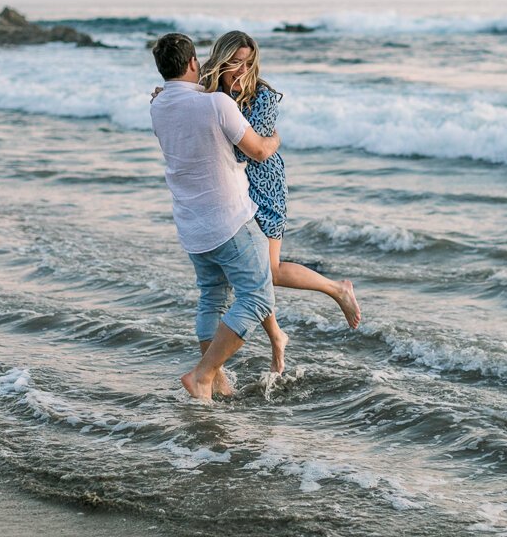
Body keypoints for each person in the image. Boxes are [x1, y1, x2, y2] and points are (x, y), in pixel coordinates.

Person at [195, 31, 362, 373]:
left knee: (268, 270)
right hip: (232, 188)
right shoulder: (208, 89)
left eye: (247, 63)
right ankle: (276, 338)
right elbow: (186, 106)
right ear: (220, 60)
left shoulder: (263, 96)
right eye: (234, 62)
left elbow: (251, 147)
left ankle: (337, 289)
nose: (241, 70)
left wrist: (264, 141)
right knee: (253, 274)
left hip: (265, 187)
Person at [149, 32, 281, 401]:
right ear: (194, 63)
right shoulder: (217, 104)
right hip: (230, 220)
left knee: (212, 297)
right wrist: (275, 141)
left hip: (192, 226)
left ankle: (217, 384)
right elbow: (257, 151)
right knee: (257, 298)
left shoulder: (158, 106)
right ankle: (204, 374)